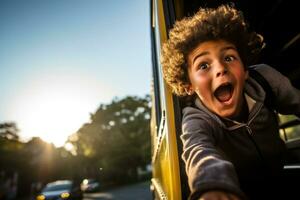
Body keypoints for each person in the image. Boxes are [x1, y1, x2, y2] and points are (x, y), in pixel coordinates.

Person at [161, 4, 300, 200]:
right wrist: (212, 185)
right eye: (203, 65)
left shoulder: (265, 80)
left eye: (229, 57)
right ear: (189, 85)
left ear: (244, 70)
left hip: (281, 178)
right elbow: (198, 150)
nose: (220, 68)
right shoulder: (196, 119)